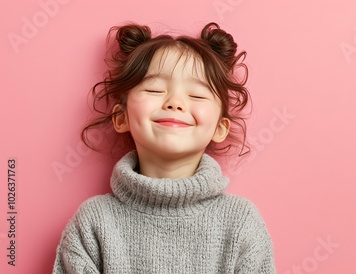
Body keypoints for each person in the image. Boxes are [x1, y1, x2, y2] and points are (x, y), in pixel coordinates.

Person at [52, 21, 276, 273]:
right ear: (121, 117)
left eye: (197, 95)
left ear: (219, 128)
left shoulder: (241, 223)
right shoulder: (93, 222)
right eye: (155, 89)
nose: (175, 102)